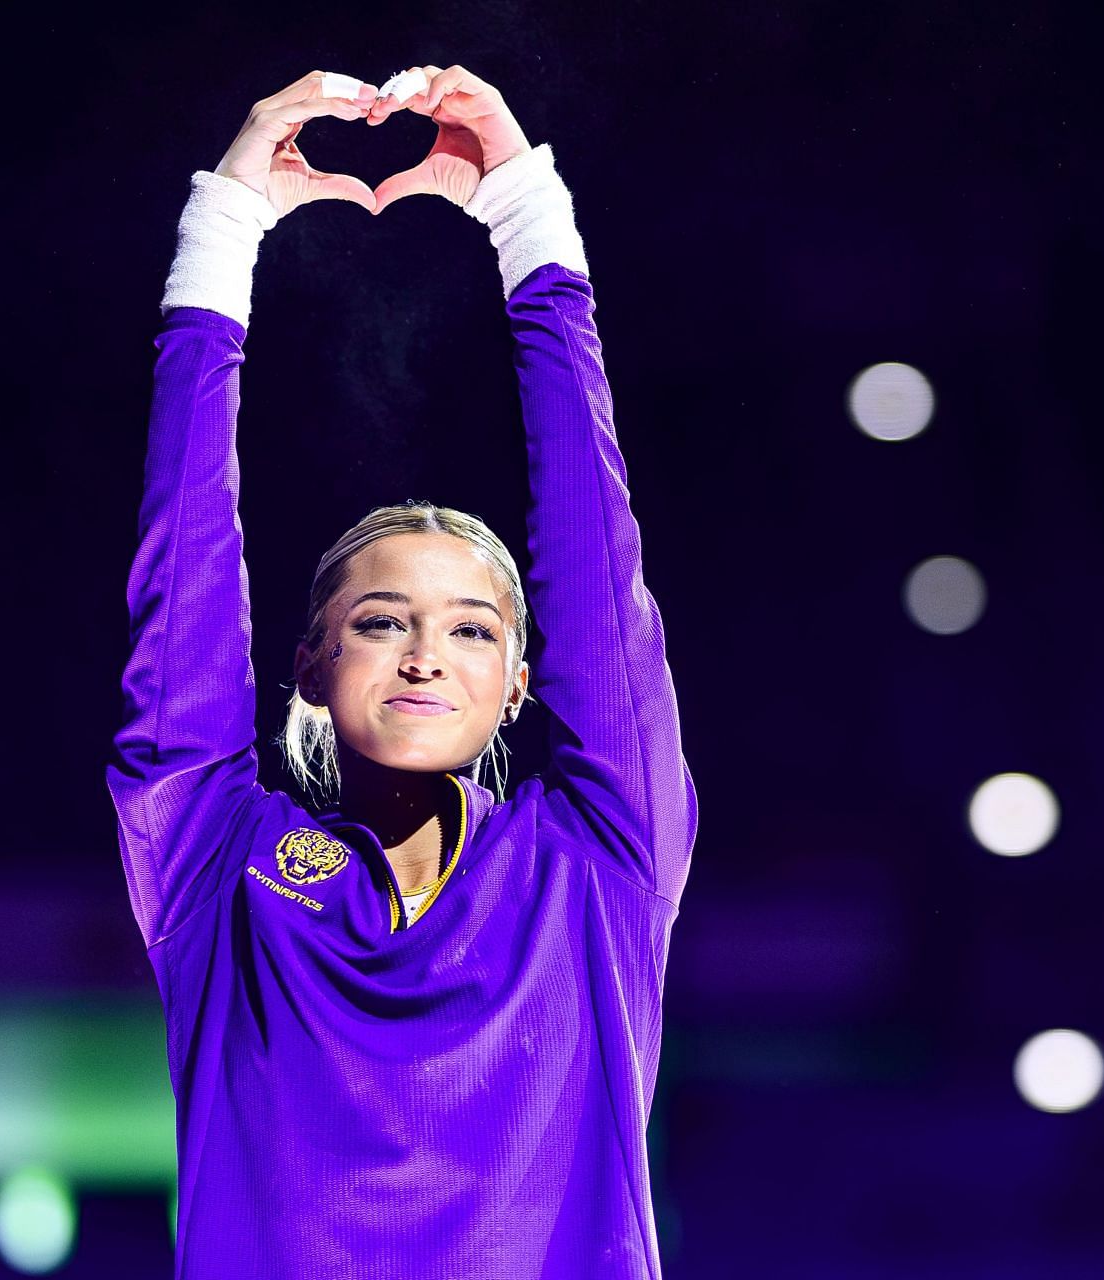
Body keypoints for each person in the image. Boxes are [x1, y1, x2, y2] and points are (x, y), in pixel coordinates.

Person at [107, 63, 698, 1278]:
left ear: (523, 680)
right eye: (381, 620)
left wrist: (528, 214)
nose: (429, 649)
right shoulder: (219, 856)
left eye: (475, 628)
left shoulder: (595, 861)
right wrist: (220, 235)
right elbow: (186, 573)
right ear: (309, 665)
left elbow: (595, 557)